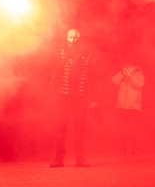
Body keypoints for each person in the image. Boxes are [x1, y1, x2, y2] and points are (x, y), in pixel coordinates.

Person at [49, 29, 100, 168]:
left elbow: (93, 78)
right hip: (63, 96)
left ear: (80, 38)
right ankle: (58, 159)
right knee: (60, 127)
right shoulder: (60, 54)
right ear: (67, 38)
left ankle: (80, 159)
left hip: (80, 97)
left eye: (75, 37)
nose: (72, 40)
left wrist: (95, 98)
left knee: (80, 128)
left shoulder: (88, 55)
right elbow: (53, 74)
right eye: (70, 37)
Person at [111, 63, 144, 154]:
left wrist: (130, 75)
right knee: (122, 128)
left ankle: (135, 148)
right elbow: (114, 81)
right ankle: (122, 148)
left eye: (130, 66)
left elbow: (139, 84)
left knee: (134, 129)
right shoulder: (123, 74)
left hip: (134, 106)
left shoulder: (139, 73)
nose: (128, 67)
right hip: (122, 105)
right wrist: (122, 73)